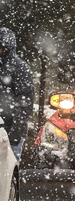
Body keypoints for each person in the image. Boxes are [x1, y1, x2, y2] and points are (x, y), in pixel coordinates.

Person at [0, 27, 34, 164]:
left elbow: (24, 103)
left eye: (1, 47)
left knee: (8, 173)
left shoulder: (20, 68)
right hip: (4, 130)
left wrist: (14, 135)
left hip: (9, 133)